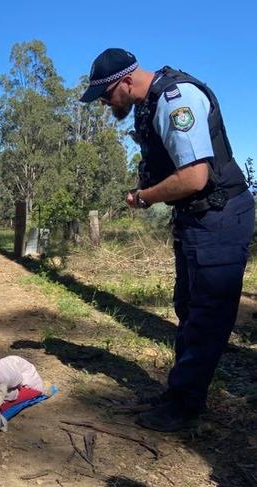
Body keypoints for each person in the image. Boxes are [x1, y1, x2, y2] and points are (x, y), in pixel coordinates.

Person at [80, 48, 254, 432]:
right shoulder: (149, 103)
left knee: (206, 316)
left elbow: (195, 177)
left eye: (107, 96)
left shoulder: (177, 99)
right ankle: (181, 393)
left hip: (220, 217)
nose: (107, 104)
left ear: (126, 81)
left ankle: (185, 407)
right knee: (188, 308)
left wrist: (144, 197)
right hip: (197, 218)